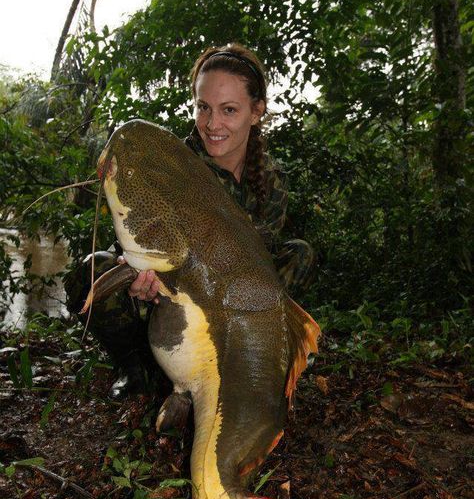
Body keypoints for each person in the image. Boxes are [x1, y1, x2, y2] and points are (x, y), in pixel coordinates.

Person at [65, 44, 315, 400]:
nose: (212, 124)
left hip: (230, 301)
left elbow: (259, 268)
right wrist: (143, 280)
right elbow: (139, 244)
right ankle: (138, 370)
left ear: (256, 111)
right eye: (203, 108)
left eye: (229, 110)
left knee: (299, 254)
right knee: (93, 270)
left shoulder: (271, 181)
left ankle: (248, 361)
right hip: (168, 297)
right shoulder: (170, 165)